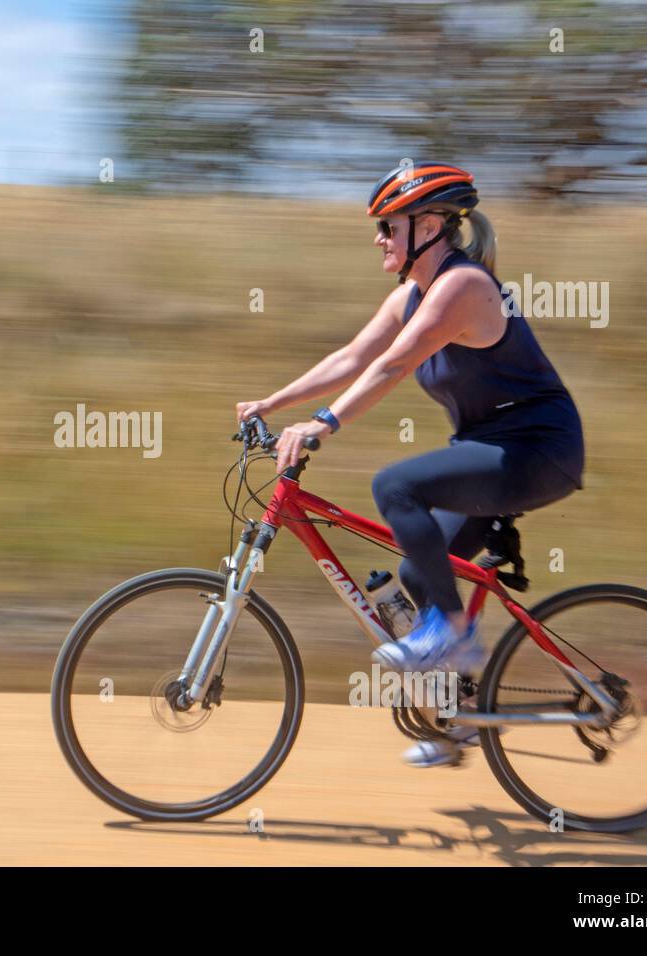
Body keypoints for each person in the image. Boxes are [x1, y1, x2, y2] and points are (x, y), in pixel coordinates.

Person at [235, 161, 585, 767]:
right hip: (490, 452)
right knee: (424, 575)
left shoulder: (463, 286)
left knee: (394, 486)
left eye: (387, 225)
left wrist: (322, 424)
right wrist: (271, 402)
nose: (378, 238)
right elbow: (353, 357)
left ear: (428, 225)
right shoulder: (413, 295)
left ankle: (452, 634)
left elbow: (393, 366)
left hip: (537, 450)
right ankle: (461, 723)